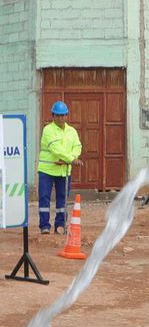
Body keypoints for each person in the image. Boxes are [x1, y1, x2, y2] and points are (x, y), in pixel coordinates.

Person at [37, 100, 82, 234]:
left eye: (63, 115)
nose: (61, 118)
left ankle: (60, 225)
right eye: (58, 115)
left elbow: (77, 146)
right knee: (44, 197)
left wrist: (70, 159)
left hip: (63, 170)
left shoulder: (72, 131)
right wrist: (71, 159)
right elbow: (55, 149)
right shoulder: (48, 130)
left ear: (67, 115)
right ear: (53, 116)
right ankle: (44, 226)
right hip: (47, 170)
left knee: (62, 198)